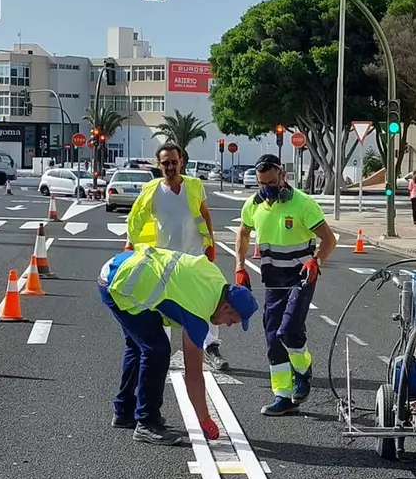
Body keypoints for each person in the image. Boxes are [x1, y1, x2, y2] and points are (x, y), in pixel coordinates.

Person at [98, 244, 259, 445]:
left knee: (139, 345)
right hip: (121, 284)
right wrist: (205, 419)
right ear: (226, 306)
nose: (228, 325)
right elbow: (193, 375)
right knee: (157, 350)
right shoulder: (198, 313)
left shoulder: (217, 279)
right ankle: (147, 423)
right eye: (232, 320)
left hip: (121, 269)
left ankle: (123, 411)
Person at [234, 154, 338, 416]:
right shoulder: (253, 205)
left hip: (301, 278)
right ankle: (283, 396)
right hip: (272, 281)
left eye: (271, 181)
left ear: (282, 175)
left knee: (289, 331)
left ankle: (303, 371)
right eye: (262, 184)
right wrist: (239, 265)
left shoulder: (303, 204)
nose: (267, 188)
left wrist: (316, 260)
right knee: (272, 338)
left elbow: (329, 239)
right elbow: (243, 233)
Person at [126, 143, 231, 371]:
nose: (171, 166)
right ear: (159, 165)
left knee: (206, 302)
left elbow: (205, 214)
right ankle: (158, 350)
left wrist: (210, 243)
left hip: (194, 258)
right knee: (160, 304)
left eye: (174, 161)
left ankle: (211, 348)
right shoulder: (151, 191)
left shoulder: (194, 185)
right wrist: (130, 247)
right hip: (164, 261)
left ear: (181, 161)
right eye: (166, 163)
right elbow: (136, 219)